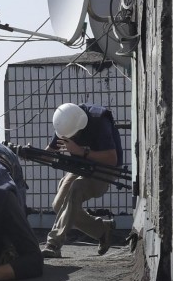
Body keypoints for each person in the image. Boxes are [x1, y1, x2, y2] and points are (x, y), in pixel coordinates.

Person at [41, 103, 123, 258]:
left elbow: (112, 159)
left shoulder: (99, 121)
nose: (69, 138)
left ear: (81, 126)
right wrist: (31, 153)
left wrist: (80, 151)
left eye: (72, 136)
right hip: (82, 167)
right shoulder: (66, 121)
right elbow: (50, 151)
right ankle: (102, 229)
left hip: (105, 169)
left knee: (76, 188)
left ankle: (53, 244)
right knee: (58, 205)